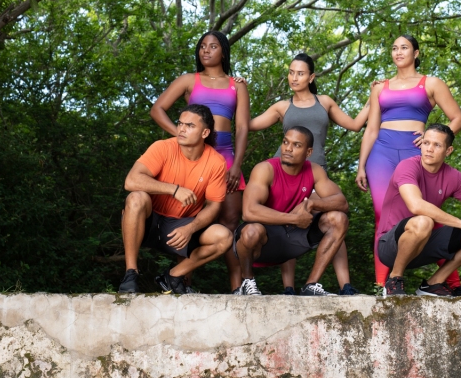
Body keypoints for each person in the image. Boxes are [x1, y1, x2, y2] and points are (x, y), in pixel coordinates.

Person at [249, 52, 368, 295]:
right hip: (284, 173)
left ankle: (345, 285)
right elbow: (248, 125)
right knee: (288, 225)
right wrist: (238, 93)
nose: (294, 77)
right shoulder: (282, 106)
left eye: (300, 73)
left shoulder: (324, 102)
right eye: (291, 72)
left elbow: (355, 125)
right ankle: (289, 288)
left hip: (315, 174)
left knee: (336, 219)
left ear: (311, 76)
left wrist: (373, 99)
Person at [356, 35, 461, 289]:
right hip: (381, 153)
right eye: (394, 48)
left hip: (414, 153)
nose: (398, 52)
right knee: (382, 214)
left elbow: (457, 119)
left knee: (425, 210)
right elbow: (371, 129)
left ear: (416, 53)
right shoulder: (379, 87)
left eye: (404, 47)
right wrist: (361, 165)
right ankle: (383, 284)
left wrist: (432, 140)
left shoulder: (431, 82)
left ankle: (452, 281)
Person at [150, 31, 249, 290]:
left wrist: (236, 165)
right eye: (202, 46)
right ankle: (180, 283)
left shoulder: (237, 84)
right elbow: (157, 109)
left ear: (223, 52)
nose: (205, 51)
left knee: (230, 223)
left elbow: (242, 128)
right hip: (191, 160)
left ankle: (237, 288)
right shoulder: (188, 80)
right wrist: (182, 137)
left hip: (226, 158)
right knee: (185, 218)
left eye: (213, 46)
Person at [118, 104, 233, 294]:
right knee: (136, 198)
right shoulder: (163, 147)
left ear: (205, 132)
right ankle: (130, 273)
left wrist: (191, 228)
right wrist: (173, 189)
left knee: (224, 237)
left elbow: (213, 206)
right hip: (148, 220)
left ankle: (172, 276)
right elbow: (131, 181)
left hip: (180, 227)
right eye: (180, 123)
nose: (181, 129)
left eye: (189, 126)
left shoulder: (216, 162)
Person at [377, 124, 461, 296]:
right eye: (426, 143)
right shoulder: (407, 166)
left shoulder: (454, 177)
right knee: (424, 221)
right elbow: (416, 205)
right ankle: (394, 279)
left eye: (437, 145)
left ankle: (433, 284)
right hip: (391, 246)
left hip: (425, 243)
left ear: (448, 150)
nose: (429, 149)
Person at [233, 126, 350, 296]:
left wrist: (312, 204)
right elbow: (249, 212)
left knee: (338, 219)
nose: (288, 148)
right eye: (285, 142)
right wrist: (293, 219)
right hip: (266, 239)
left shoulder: (314, 170)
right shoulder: (265, 169)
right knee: (251, 231)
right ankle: (247, 281)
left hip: (295, 236)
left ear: (308, 152)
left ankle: (311, 285)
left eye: (296, 145)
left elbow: (342, 202)